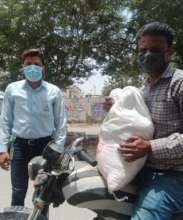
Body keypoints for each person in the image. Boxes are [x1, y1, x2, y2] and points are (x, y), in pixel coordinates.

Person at [104, 22, 183, 220]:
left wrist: (150, 147)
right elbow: (133, 117)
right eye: (143, 50)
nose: (148, 55)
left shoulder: (179, 83)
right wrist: (116, 107)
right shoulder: (144, 88)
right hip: (145, 169)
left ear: (169, 53)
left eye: (155, 50)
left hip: (175, 175)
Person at [0, 48, 67, 206]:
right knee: (18, 190)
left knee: (42, 193)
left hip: (45, 147)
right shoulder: (12, 89)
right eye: (28, 64)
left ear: (43, 67)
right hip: (20, 146)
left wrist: (57, 149)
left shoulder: (53, 91)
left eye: (36, 64)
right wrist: (2, 149)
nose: (32, 67)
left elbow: (61, 124)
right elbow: (5, 121)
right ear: (22, 67)